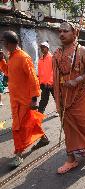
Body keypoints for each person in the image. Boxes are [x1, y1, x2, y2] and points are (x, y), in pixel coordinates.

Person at [52, 22, 85, 174]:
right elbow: (56, 77)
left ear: (74, 33)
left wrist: (77, 80)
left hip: (81, 97)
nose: (62, 34)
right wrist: (58, 98)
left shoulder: (82, 51)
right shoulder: (56, 54)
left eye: (65, 31)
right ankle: (71, 159)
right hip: (64, 98)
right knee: (68, 128)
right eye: (60, 31)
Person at [0, 31, 50, 167]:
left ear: (9, 43)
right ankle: (44, 138)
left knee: (19, 127)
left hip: (25, 100)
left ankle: (18, 154)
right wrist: (1, 60)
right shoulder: (11, 56)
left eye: (3, 42)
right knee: (31, 122)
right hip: (15, 100)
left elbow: (33, 78)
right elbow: (9, 73)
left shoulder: (23, 57)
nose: (2, 44)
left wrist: (34, 99)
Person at [38, 41, 55, 114]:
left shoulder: (52, 58)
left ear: (47, 48)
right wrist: (40, 82)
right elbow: (40, 72)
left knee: (57, 98)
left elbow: (54, 71)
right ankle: (39, 114)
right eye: (41, 48)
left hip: (52, 83)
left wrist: (50, 82)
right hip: (44, 84)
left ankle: (60, 110)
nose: (42, 49)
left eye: (44, 47)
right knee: (44, 100)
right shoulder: (41, 59)